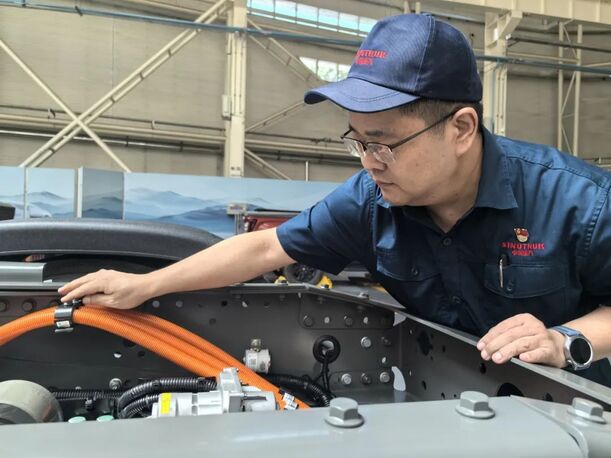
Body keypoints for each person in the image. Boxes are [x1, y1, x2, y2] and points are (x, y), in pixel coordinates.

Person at [59, 14, 611, 385]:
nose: (369, 162)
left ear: (461, 127)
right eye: (358, 141)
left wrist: (565, 342)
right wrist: (146, 284)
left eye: (385, 143)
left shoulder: (578, 203)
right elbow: (265, 249)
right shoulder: (369, 201)